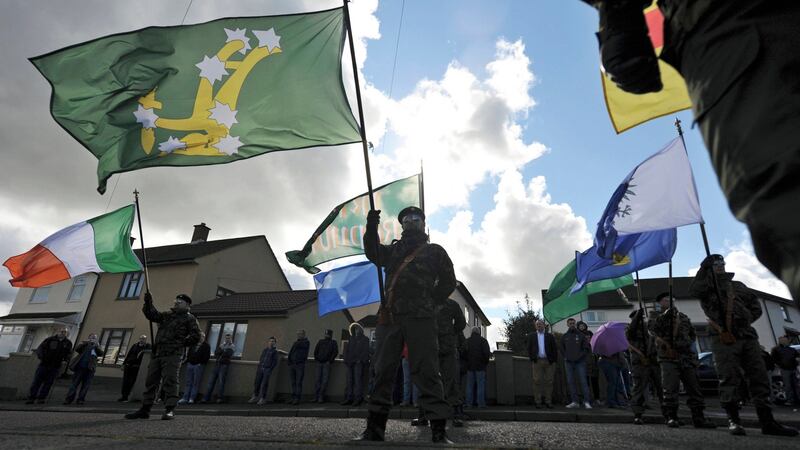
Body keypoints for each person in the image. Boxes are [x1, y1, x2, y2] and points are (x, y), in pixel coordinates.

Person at [580, 0, 800, 303]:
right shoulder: (701, 292)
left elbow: (632, 69)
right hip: (739, 40)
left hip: (735, 41)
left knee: (784, 200)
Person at [356, 206, 457, 444]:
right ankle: (374, 430)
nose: (412, 221)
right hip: (390, 317)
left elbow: (448, 281)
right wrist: (371, 226)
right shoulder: (394, 250)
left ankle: (439, 432)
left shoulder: (435, 251)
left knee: (428, 371)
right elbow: (372, 252)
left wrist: (431, 301)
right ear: (402, 226)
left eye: (416, 218)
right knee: (382, 371)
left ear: (423, 223)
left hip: (421, 318)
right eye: (407, 219)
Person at [691, 255, 798, 436]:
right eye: (716, 264)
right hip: (722, 336)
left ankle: (767, 421)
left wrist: (743, 320)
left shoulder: (738, 286)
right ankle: (734, 420)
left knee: (759, 377)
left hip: (746, 335)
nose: (720, 266)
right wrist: (703, 268)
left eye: (722, 263)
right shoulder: (707, 286)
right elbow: (695, 290)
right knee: (729, 377)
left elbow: (756, 306)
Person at [125, 293, 201, 420]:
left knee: (170, 381)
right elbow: (152, 315)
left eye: (180, 302)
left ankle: (170, 409)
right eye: (175, 301)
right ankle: (145, 409)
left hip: (173, 354)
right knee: (151, 381)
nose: (176, 303)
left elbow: (196, 337)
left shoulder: (190, 318)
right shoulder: (167, 315)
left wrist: (180, 343)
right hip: (158, 353)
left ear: (187, 305)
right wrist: (148, 303)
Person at [651, 293, 716, 429]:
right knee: (670, 388)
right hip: (669, 357)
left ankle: (699, 417)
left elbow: (692, 334)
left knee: (694, 387)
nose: (669, 301)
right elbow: (653, 331)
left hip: (686, 357)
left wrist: (688, 347)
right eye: (665, 300)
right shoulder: (656, 317)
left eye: (671, 299)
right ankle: (672, 417)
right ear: (659, 303)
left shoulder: (683, 317)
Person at [412, 296, 467, 427]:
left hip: (445, 347)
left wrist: (449, 333)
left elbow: (461, 323)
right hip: (430, 346)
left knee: (450, 381)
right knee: (426, 380)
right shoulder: (425, 302)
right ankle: (423, 415)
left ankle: (456, 415)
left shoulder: (451, 304)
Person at [626, 308, 664, 425]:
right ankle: (638, 415)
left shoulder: (649, 331)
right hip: (640, 363)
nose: (641, 321)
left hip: (653, 362)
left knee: (662, 388)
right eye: (638, 319)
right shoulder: (631, 332)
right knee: (639, 389)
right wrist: (638, 314)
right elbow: (632, 328)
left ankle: (668, 414)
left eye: (642, 319)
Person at [26, 328, 72, 404]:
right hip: (44, 364)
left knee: (48, 383)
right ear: (58, 332)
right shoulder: (50, 339)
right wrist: (42, 358)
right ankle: (31, 398)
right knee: (37, 382)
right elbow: (40, 349)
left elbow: (68, 353)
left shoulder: (67, 343)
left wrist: (65, 360)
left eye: (65, 332)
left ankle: (42, 398)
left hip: (55, 366)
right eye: (61, 331)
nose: (63, 333)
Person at [63, 333, 104, 405]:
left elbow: (101, 353)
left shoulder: (96, 346)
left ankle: (80, 399)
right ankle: (69, 399)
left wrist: (96, 346)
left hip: (90, 369)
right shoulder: (84, 345)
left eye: (94, 338)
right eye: (91, 337)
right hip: (80, 367)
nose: (93, 339)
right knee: (74, 384)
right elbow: (77, 349)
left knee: (85, 385)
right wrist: (85, 343)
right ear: (88, 338)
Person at [561, 318, 593, 409]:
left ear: (575, 324)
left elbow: (586, 348)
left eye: (573, 323)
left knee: (583, 382)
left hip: (580, 362)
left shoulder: (581, 335)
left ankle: (586, 401)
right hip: (568, 363)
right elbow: (562, 348)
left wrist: (580, 357)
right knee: (571, 382)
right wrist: (566, 357)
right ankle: (575, 401)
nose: (572, 324)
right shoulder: (565, 336)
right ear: (567, 324)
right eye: (570, 323)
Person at [526, 320, 558, 408]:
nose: (539, 325)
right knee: (536, 381)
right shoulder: (531, 336)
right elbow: (529, 348)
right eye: (537, 324)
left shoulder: (550, 336)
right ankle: (538, 402)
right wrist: (532, 358)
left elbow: (554, 349)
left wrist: (553, 360)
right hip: (537, 362)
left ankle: (548, 401)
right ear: (535, 326)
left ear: (544, 325)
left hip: (549, 361)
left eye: (540, 324)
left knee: (549, 382)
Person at [341, 324, 370, 407]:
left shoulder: (365, 339)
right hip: (350, 363)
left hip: (358, 363)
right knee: (349, 381)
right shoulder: (351, 339)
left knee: (358, 381)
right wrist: (346, 360)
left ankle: (358, 398)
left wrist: (360, 360)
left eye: (357, 329)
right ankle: (349, 398)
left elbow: (366, 351)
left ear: (360, 330)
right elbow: (347, 350)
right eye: (355, 329)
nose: (356, 330)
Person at [203, 333, 235, 403]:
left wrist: (221, 352)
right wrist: (222, 352)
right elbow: (216, 353)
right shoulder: (221, 345)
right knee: (210, 382)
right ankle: (206, 398)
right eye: (226, 338)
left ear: (231, 339)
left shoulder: (232, 346)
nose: (227, 339)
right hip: (217, 364)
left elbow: (228, 354)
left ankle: (220, 398)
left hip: (224, 365)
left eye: (229, 338)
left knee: (221, 382)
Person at [178, 331, 209, 405]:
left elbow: (206, 357)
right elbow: (189, 353)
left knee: (195, 382)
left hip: (198, 365)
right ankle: (185, 398)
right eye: (200, 336)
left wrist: (200, 363)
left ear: (204, 337)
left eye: (202, 336)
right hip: (190, 364)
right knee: (188, 382)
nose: (201, 338)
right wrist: (188, 361)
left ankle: (192, 398)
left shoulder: (206, 346)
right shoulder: (193, 344)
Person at [465, 326, 491, 409]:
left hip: (470, 367)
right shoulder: (483, 341)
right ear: (479, 332)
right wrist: (484, 363)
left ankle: (468, 403)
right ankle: (481, 404)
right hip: (480, 367)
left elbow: (463, 353)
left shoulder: (467, 341)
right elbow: (487, 354)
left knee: (469, 386)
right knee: (480, 386)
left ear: (472, 332)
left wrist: (467, 362)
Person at [119, 335, 150, 402]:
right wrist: (124, 364)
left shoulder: (147, 346)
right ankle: (124, 396)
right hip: (128, 365)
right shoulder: (135, 345)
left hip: (136, 367)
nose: (142, 340)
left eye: (144, 339)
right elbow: (129, 354)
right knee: (125, 382)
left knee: (131, 382)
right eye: (141, 338)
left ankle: (127, 396)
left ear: (145, 340)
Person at [249, 337, 278, 405]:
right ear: (268, 342)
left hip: (267, 369)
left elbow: (274, 362)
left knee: (264, 384)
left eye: (273, 341)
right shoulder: (265, 350)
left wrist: (270, 369)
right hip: (260, 368)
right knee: (257, 382)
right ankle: (255, 396)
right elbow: (261, 358)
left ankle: (263, 398)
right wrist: (259, 367)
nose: (271, 342)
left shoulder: (274, 352)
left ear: (275, 343)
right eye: (270, 341)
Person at [771, 336, 800, 406]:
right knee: (788, 386)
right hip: (784, 369)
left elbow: (798, 357)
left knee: (796, 385)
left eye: (785, 340)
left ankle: (797, 399)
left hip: (793, 369)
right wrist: (780, 365)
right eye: (782, 340)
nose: (784, 341)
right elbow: (773, 359)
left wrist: (797, 361)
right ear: (780, 341)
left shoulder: (792, 349)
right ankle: (790, 400)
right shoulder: (776, 349)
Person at [577, 321, 600, 403]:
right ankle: (587, 398)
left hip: (593, 364)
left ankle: (597, 398)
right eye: (580, 326)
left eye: (583, 325)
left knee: (595, 382)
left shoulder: (592, 340)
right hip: (584, 364)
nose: (582, 327)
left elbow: (596, 351)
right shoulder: (578, 337)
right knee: (585, 383)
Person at [313, 329, 339, 403]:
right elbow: (316, 351)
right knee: (317, 380)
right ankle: (316, 396)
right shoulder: (321, 341)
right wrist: (317, 359)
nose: (326, 335)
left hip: (326, 363)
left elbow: (335, 352)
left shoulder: (333, 342)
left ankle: (321, 396)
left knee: (324, 381)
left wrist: (329, 361)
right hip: (319, 363)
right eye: (326, 334)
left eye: (328, 334)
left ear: (330, 335)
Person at [287, 329, 310, 405]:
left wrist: (297, 342)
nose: (298, 335)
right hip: (292, 364)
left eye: (300, 334)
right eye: (298, 334)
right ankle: (293, 397)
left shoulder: (306, 342)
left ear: (303, 334)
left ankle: (297, 398)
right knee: (293, 382)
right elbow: (291, 352)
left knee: (298, 382)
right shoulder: (296, 342)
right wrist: (289, 362)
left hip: (300, 365)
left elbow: (301, 346)